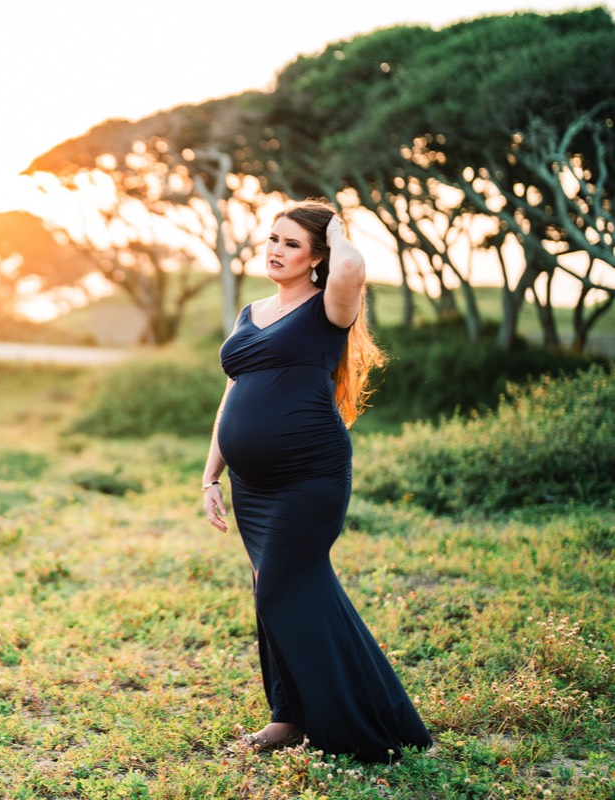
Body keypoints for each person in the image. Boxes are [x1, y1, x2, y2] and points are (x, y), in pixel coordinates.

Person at [201, 199, 433, 763]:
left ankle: (353, 726)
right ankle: (288, 717)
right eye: (273, 239)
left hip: (310, 474)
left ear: (318, 258)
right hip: (252, 486)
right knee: (273, 588)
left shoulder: (332, 304)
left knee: (282, 585)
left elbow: (352, 267)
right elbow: (235, 390)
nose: (276, 250)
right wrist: (212, 472)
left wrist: (334, 225)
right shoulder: (250, 312)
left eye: (291, 244)